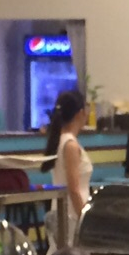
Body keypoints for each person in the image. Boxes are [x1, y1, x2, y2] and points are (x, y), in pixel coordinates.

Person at [47, 88, 91, 243]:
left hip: (63, 210)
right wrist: (84, 218)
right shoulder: (70, 145)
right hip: (71, 214)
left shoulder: (60, 140)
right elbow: (73, 189)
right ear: (80, 113)